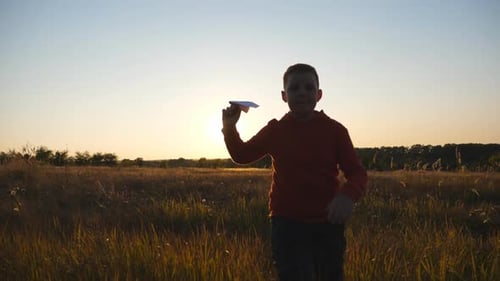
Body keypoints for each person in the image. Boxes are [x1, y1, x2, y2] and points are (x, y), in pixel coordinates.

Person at [221, 63, 368, 281]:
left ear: (319, 95)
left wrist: (347, 196)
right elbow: (242, 155)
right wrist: (229, 128)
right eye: (294, 88)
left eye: (309, 88)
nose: (302, 92)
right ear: (284, 95)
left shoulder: (335, 131)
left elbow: (357, 173)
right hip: (287, 224)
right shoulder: (275, 131)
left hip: (327, 223)